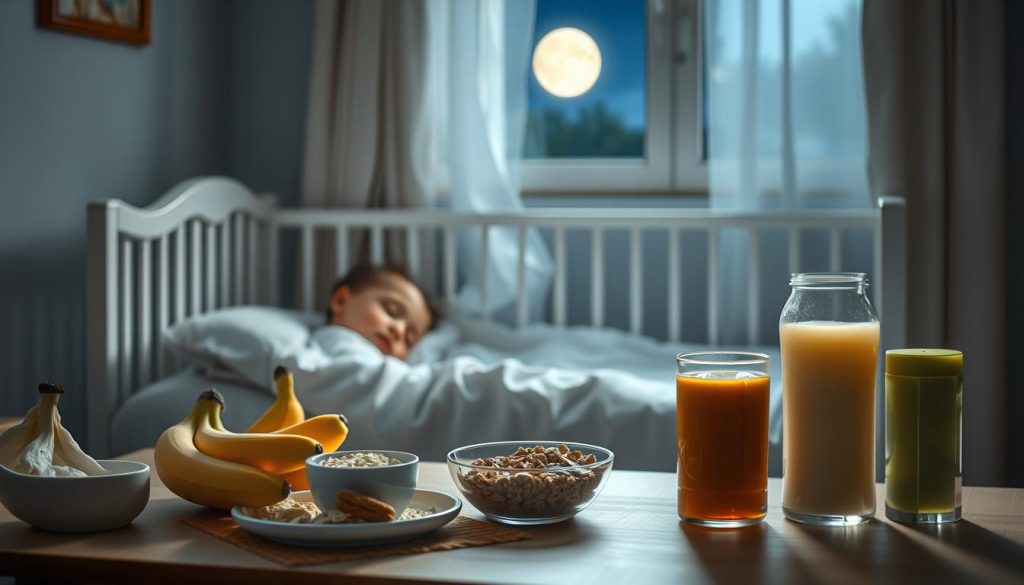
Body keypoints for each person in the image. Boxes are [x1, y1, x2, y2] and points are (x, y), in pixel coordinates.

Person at [325, 264, 437, 360]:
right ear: (341, 300)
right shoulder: (325, 347)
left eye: (408, 340)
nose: (400, 331)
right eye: (392, 311)